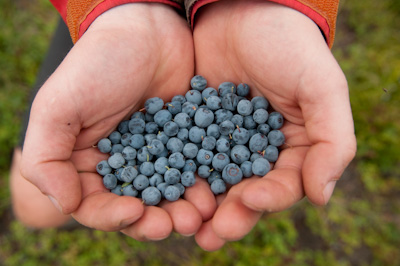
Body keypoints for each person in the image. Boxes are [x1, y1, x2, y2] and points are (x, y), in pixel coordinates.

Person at [11, 0, 356, 251]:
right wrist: (121, 12)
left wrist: (273, 7)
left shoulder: (232, 129)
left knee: (49, 202)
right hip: (113, 15)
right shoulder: (160, 135)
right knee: (36, 206)